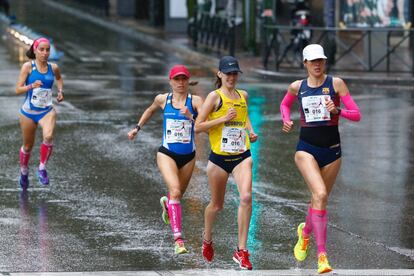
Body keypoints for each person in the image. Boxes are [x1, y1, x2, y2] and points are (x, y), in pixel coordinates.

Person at [280, 44, 361, 274]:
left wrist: (338, 111)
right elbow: (285, 104)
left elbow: (356, 114)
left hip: (332, 151)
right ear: (304, 63)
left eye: (321, 60)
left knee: (319, 199)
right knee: (321, 194)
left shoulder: (336, 84)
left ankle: (305, 234)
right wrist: (285, 119)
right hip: (306, 149)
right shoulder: (297, 87)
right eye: (312, 61)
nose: (317, 64)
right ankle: (322, 257)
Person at [127, 65, 203, 254]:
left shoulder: (196, 101)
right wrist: (137, 128)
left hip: (188, 156)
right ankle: (178, 241)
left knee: (177, 196)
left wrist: (191, 116)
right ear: (170, 81)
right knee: (175, 192)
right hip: (167, 153)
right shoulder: (163, 99)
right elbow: (150, 110)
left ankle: (167, 205)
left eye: (184, 79)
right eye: (176, 79)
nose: (180, 83)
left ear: (188, 81)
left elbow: (205, 126)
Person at [195, 56, 258, 270]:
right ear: (219, 74)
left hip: (242, 155)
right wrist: (223, 119)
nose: (231, 77)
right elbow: (198, 126)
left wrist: (250, 130)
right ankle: (207, 238)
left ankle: (241, 251)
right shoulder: (214, 97)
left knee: (247, 197)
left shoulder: (243, 95)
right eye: (228, 73)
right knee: (217, 205)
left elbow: (244, 115)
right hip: (219, 159)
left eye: (234, 73)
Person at [15, 37, 64, 190]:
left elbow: (59, 78)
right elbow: (17, 89)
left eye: (47, 50)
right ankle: (24, 171)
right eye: (41, 49)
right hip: (28, 112)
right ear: (35, 50)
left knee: (48, 136)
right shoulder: (28, 67)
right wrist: (31, 85)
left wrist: (60, 91)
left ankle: (42, 168)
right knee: (28, 146)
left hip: (46, 111)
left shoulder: (53, 67)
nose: (45, 53)